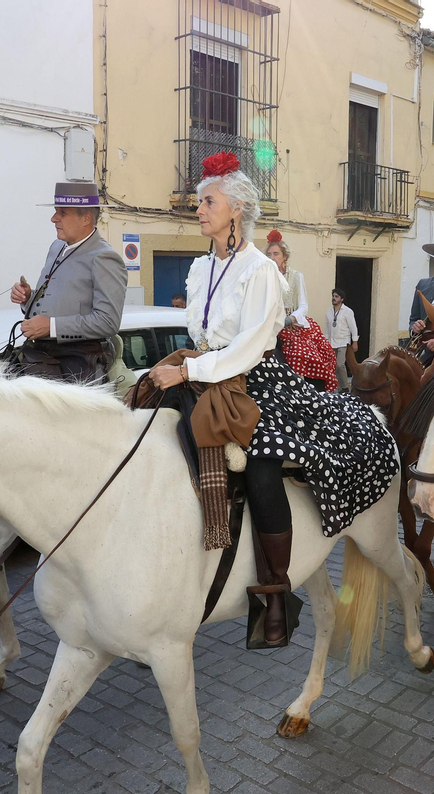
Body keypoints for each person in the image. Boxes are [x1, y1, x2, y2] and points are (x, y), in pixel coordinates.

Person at [145, 151, 398, 649]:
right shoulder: (200, 268)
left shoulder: (260, 269)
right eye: (199, 201)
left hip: (255, 380)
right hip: (204, 372)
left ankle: (276, 594)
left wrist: (190, 369)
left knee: (260, 465)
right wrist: (181, 367)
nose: (199, 209)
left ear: (235, 209)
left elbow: (249, 345)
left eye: (208, 201)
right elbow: (203, 331)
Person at [7, 181, 126, 381]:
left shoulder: (104, 258)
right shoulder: (56, 247)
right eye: (56, 211)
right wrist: (27, 298)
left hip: (77, 362)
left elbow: (108, 322)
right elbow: (56, 302)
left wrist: (51, 327)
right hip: (40, 354)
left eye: (62, 213)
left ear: (86, 218)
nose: (54, 219)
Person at [264, 231, 337, 391]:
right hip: (270, 325)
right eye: (269, 254)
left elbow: (303, 306)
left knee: (312, 352)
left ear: (285, 257)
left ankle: (315, 392)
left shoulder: (296, 276)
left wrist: (290, 319)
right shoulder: (263, 278)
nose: (272, 257)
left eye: (276, 254)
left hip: (292, 325)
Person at [326, 288, 360, 391]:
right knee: (334, 365)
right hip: (332, 342)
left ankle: (345, 386)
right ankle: (339, 386)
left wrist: (355, 341)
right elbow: (327, 327)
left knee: (340, 364)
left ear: (342, 299)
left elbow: (353, 327)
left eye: (336, 297)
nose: (334, 298)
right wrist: (326, 341)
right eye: (333, 296)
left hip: (343, 342)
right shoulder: (329, 311)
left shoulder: (348, 311)